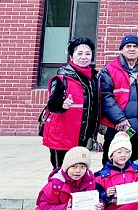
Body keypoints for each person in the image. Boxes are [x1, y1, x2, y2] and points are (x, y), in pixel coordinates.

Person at [42, 37, 101, 168]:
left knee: (78, 170)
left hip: (83, 135)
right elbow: (52, 104)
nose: (84, 57)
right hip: (62, 136)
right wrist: (62, 105)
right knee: (61, 171)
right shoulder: (61, 78)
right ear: (71, 56)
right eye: (79, 53)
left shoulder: (93, 78)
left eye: (87, 53)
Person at [100, 34, 138, 163]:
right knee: (113, 164)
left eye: (135, 46)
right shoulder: (109, 70)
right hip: (117, 127)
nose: (132, 49)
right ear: (121, 49)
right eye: (128, 46)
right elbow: (106, 97)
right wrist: (119, 119)